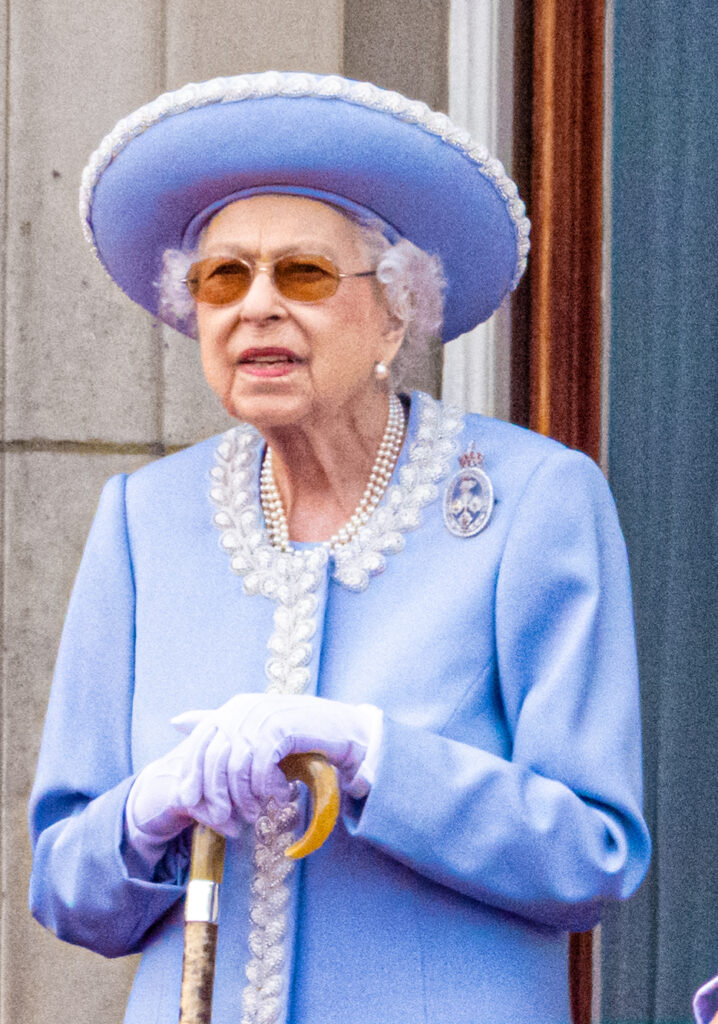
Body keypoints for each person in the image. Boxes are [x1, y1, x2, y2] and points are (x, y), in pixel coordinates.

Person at [28, 71, 651, 1024]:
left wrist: (372, 754)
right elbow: (65, 890)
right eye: (223, 277)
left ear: (397, 311)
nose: (256, 307)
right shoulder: (142, 520)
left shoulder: (534, 499)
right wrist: (150, 808)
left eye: (304, 275)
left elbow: (592, 857)